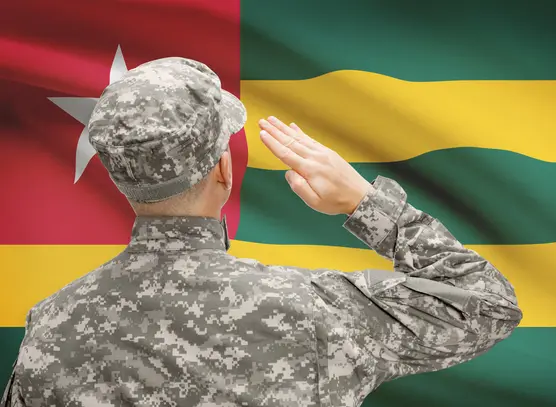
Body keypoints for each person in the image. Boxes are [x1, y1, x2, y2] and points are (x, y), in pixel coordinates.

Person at [1, 57, 522, 407]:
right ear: (223, 169)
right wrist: (367, 204)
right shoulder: (318, 310)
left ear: (119, 176)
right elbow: (488, 304)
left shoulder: (51, 325)